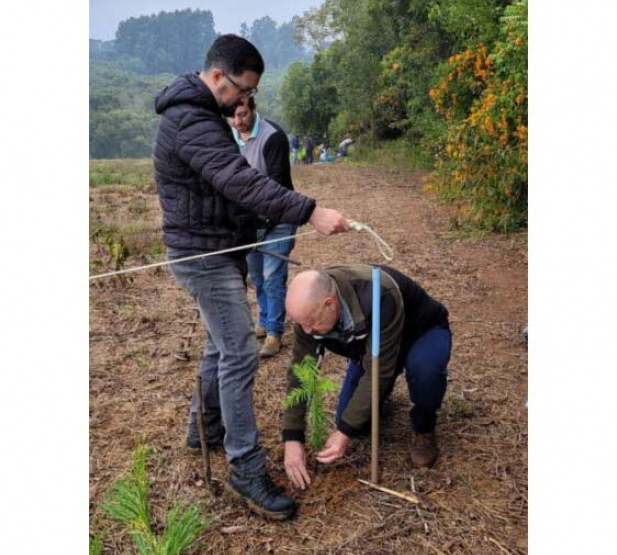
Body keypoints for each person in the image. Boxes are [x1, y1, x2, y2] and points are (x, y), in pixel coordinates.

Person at [153, 34, 351, 520]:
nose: (245, 101)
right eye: (243, 89)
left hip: (216, 248)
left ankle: (204, 429)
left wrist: (253, 229)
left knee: (219, 346)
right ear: (218, 76)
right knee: (240, 352)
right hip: (203, 257)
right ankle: (244, 466)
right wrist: (310, 211)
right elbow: (239, 181)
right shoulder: (190, 119)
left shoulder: (203, 114)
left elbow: (226, 191)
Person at [280, 265, 452, 490]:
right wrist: (292, 437)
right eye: (302, 324)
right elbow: (301, 371)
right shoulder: (309, 315)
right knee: (353, 422)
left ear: (330, 304)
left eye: (311, 323)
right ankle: (379, 400)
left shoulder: (379, 296)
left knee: (425, 371)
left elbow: (379, 371)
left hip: (421, 332)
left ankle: (424, 427)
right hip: (372, 350)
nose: (307, 331)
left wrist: (344, 432)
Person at [227, 97, 295, 358]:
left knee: (273, 277)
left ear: (253, 109)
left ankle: (275, 333)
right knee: (256, 276)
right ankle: (265, 320)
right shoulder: (228, 137)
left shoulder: (273, 136)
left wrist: (260, 214)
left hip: (279, 218)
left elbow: (277, 183)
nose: (238, 121)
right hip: (248, 221)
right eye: (233, 116)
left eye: (243, 114)